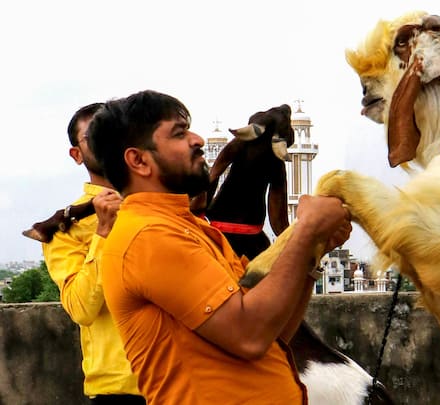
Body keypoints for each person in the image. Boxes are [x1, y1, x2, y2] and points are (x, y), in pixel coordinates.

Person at [87, 90, 352, 404]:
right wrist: (306, 231)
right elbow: (249, 336)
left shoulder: (192, 229)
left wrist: (312, 251)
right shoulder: (147, 238)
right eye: (179, 133)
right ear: (139, 161)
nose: (197, 139)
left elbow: (272, 333)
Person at [42, 103, 144, 404]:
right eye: (95, 135)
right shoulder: (64, 228)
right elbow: (81, 308)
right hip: (122, 388)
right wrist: (103, 233)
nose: (108, 141)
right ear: (76, 154)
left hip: (185, 380)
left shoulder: (160, 208)